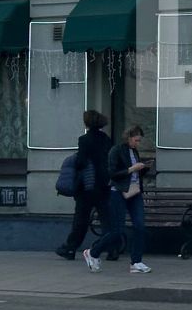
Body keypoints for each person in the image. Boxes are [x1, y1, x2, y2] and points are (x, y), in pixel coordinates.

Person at [83, 124, 152, 274]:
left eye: (139, 141)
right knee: (117, 230)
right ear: (129, 137)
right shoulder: (116, 150)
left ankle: (136, 261)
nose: (138, 143)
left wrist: (143, 169)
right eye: (136, 140)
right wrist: (132, 169)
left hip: (134, 191)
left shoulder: (134, 151)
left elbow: (133, 174)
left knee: (140, 226)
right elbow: (113, 173)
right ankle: (93, 252)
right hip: (118, 192)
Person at [56, 110, 112, 260]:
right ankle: (112, 249)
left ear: (87, 123)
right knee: (106, 220)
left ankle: (70, 248)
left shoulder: (84, 139)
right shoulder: (106, 139)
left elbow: (81, 161)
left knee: (81, 220)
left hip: (87, 186)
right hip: (104, 185)